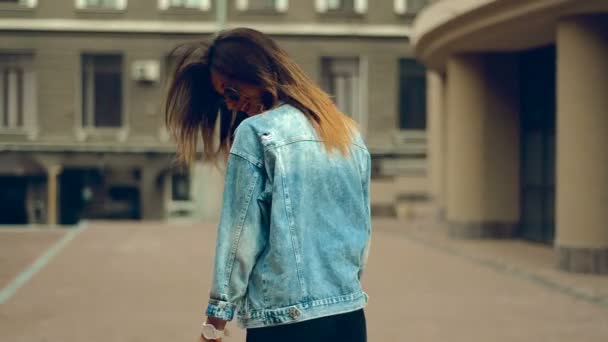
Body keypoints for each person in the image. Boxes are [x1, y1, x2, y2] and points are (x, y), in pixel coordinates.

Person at [165, 28, 372, 342]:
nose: (232, 105)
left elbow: (239, 237)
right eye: (224, 99)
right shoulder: (348, 133)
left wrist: (214, 324)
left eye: (231, 92)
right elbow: (362, 232)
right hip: (349, 317)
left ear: (255, 72)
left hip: (285, 322)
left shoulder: (257, 133)